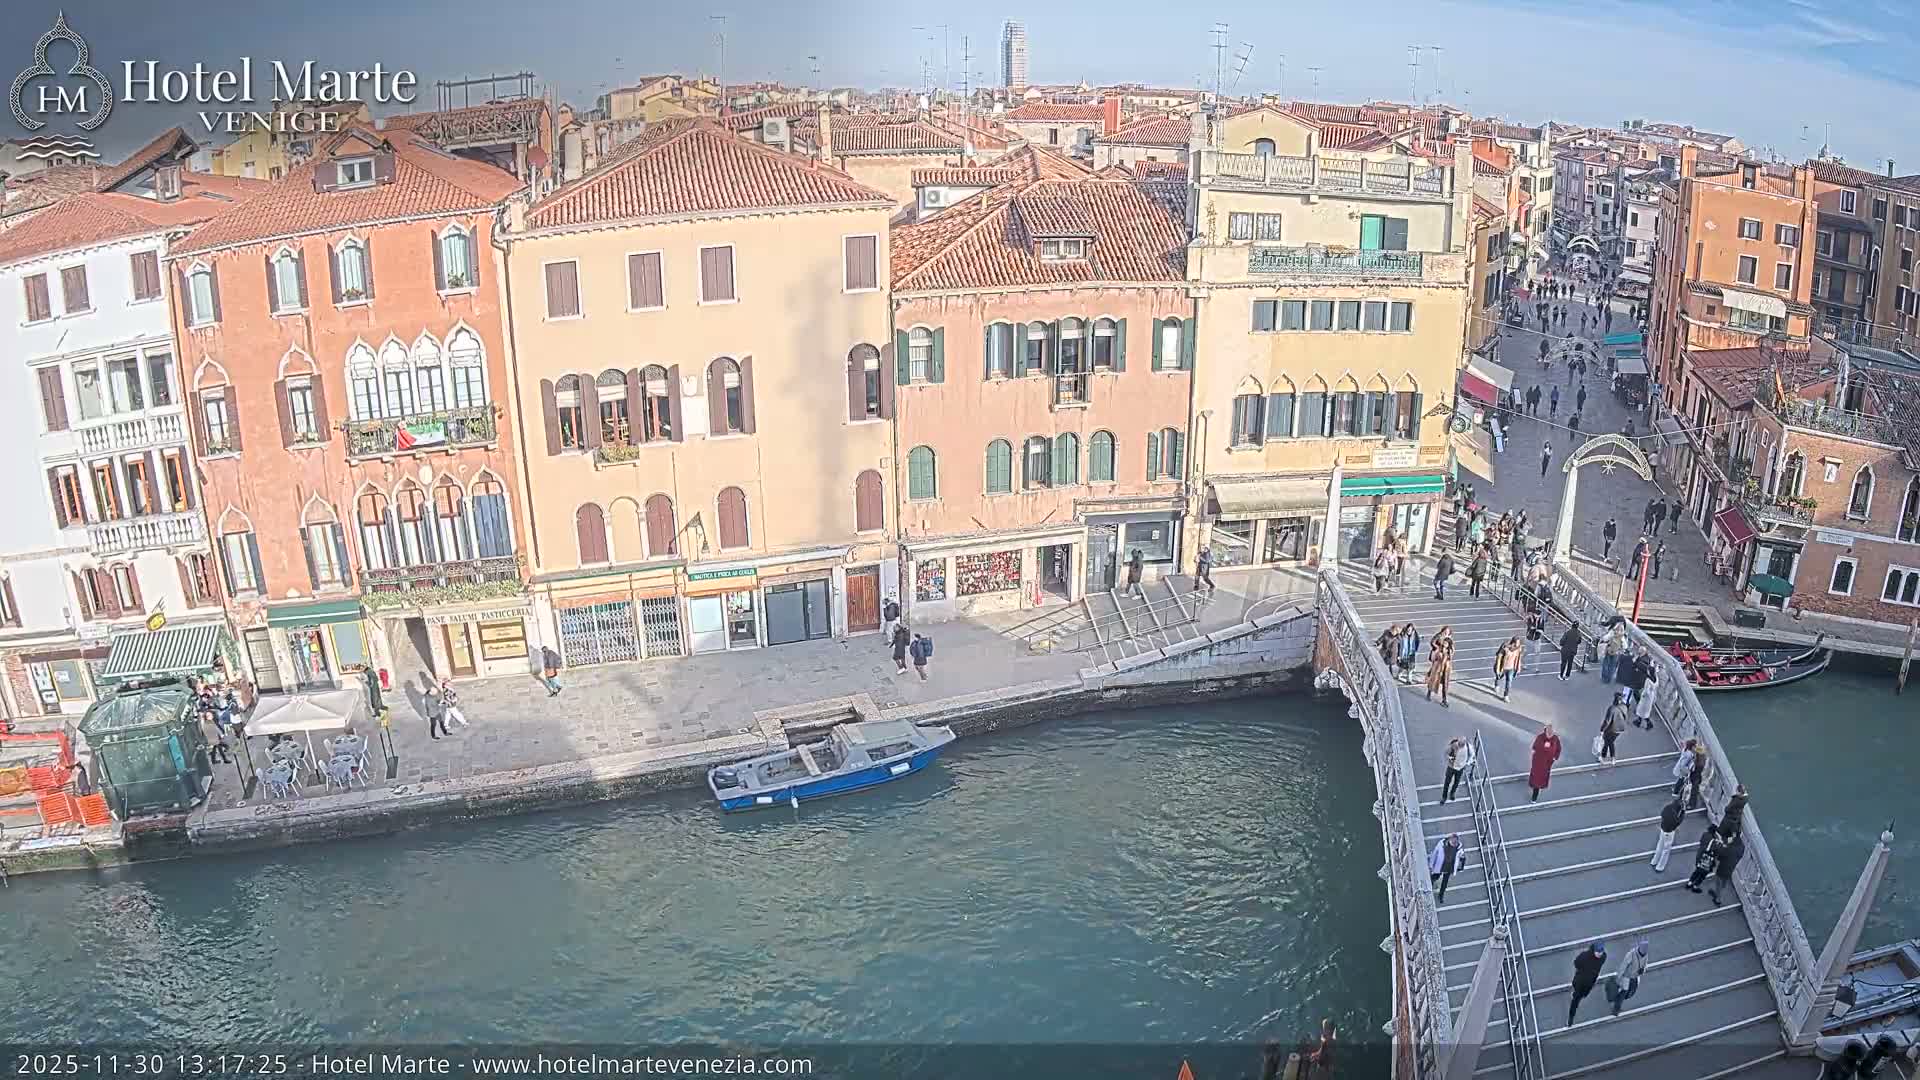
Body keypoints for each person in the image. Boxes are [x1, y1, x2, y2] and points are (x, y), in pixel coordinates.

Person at [1606, 940, 1650, 1018]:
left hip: (1635, 977)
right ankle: (1616, 1010)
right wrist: (1619, 976)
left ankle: (1615, 1001)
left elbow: (1644, 965)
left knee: (1630, 993)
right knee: (1624, 992)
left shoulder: (1645, 955)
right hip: (1627, 976)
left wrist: (1643, 970)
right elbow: (1623, 965)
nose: (1643, 952)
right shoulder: (1631, 954)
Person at [1568, 942, 1607, 1026]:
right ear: (1594, 950)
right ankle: (1571, 1017)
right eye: (1598, 952)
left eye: (1601, 952)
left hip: (1590, 983)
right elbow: (1576, 963)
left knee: (1583, 995)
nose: (1600, 954)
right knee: (1575, 1000)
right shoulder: (1584, 956)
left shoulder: (1603, 957)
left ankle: (1577, 996)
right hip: (1580, 982)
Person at [1651, 791, 1686, 873]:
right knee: (1666, 850)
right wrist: (1683, 813)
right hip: (1669, 832)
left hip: (1663, 829)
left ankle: (1654, 861)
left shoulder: (1667, 807)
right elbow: (1678, 822)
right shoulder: (1674, 814)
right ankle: (1660, 867)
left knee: (1660, 845)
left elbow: (1662, 814)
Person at [1708, 832, 1745, 905]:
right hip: (1731, 867)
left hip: (1723, 866)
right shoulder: (1742, 847)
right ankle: (1717, 893)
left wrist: (1722, 846)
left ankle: (1718, 898)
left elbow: (1720, 855)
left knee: (1719, 880)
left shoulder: (1729, 848)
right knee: (1724, 881)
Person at [1528, 722, 1562, 801]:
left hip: (1547, 763)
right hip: (1538, 762)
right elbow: (1535, 746)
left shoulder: (1555, 738)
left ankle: (1537, 790)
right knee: (1537, 778)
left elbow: (1558, 749)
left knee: (1542, 778)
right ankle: (1534, 796)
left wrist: (1555, 757)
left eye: (1551, 733)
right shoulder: (1540, 737)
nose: (1550, 734)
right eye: (1548, 732)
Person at [1429, 833, 1467, 903]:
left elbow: (1461, 856)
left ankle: (1441, 895)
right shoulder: (1442, 844)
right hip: (1441, 865)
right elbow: (1435, 853)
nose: (1454, 845)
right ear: (1450, 840)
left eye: (1455, 844)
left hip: (1449, 867)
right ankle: (1430, 885)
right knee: (1435, 876)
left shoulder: (1459, 847)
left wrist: (1462, 862)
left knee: (1445, 882)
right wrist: (1431, 865)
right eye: (1453, 843)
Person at [1688, 826, 1725, 894]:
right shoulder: (1714, 842)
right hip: (1707, 861)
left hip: (1699, 856)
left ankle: (1690, 883)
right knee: (1702, 874)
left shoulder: (1704, 834)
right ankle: (1695, 886)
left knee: (1697, 871)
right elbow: (1718, 851)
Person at [1440, 733, 1474, 804]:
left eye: (1461, 745)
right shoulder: (1453, 745)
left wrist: (1467, 763)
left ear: (1464, 743)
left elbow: (1472, 755)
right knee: (1447, 782)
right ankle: (1444, 797)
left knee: (1456, 782)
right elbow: (1446, 754)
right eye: (1459, 744)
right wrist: (1450, 758)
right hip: (1451, 767)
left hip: (1460, 768)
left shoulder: (1468, 747)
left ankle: (1452, 793)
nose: (1459, 746)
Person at [1426, 628, 1455, 707]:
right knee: (1433, 679)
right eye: (1445, 631)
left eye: (1448, 631)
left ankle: (1444, 699)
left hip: (1446, 668)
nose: (1446, 632)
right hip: (1438, 666)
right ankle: (1429, 693)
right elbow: (1432, 643)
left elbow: (1452, 653)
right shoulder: (1439, 645)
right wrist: (1437, 649)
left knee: (1445, 683)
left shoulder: (1449, 648)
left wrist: (1448, 653)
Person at [1600, 688, 1628, 762]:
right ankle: (1613, 758)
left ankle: (1603, 757)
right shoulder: (1624, 707)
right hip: (1620, 729)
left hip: (1611, 729)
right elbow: (1625, 717)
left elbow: (1607, 722)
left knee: (1607, 742)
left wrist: (1602, 730)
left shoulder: (1612, 708)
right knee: (1611, 742)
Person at [1495, 636, 1524, 700]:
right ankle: (1496, 684)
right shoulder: (1506, 648)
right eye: (1517, 643)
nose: (1518, 644)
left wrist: (1518, 668)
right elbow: (1499, 658)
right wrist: (1497, 669)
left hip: (1511, 668)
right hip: (1503, 667)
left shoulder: (1518, 649)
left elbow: (1518, 659)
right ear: (1513, 642)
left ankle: (1506, 695)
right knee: (1499, 677)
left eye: (1519, 643)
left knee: (1509, 682)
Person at [1633, 660, 1659, 728]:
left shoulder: (1648, 680)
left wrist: (1643, 695)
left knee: (1642, 710)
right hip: (1651, 696)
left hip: (1646, 697)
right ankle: (1640, 722)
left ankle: (1644, 723)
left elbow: (1646, 690)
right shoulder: (1655, 679)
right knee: (1646, 711)